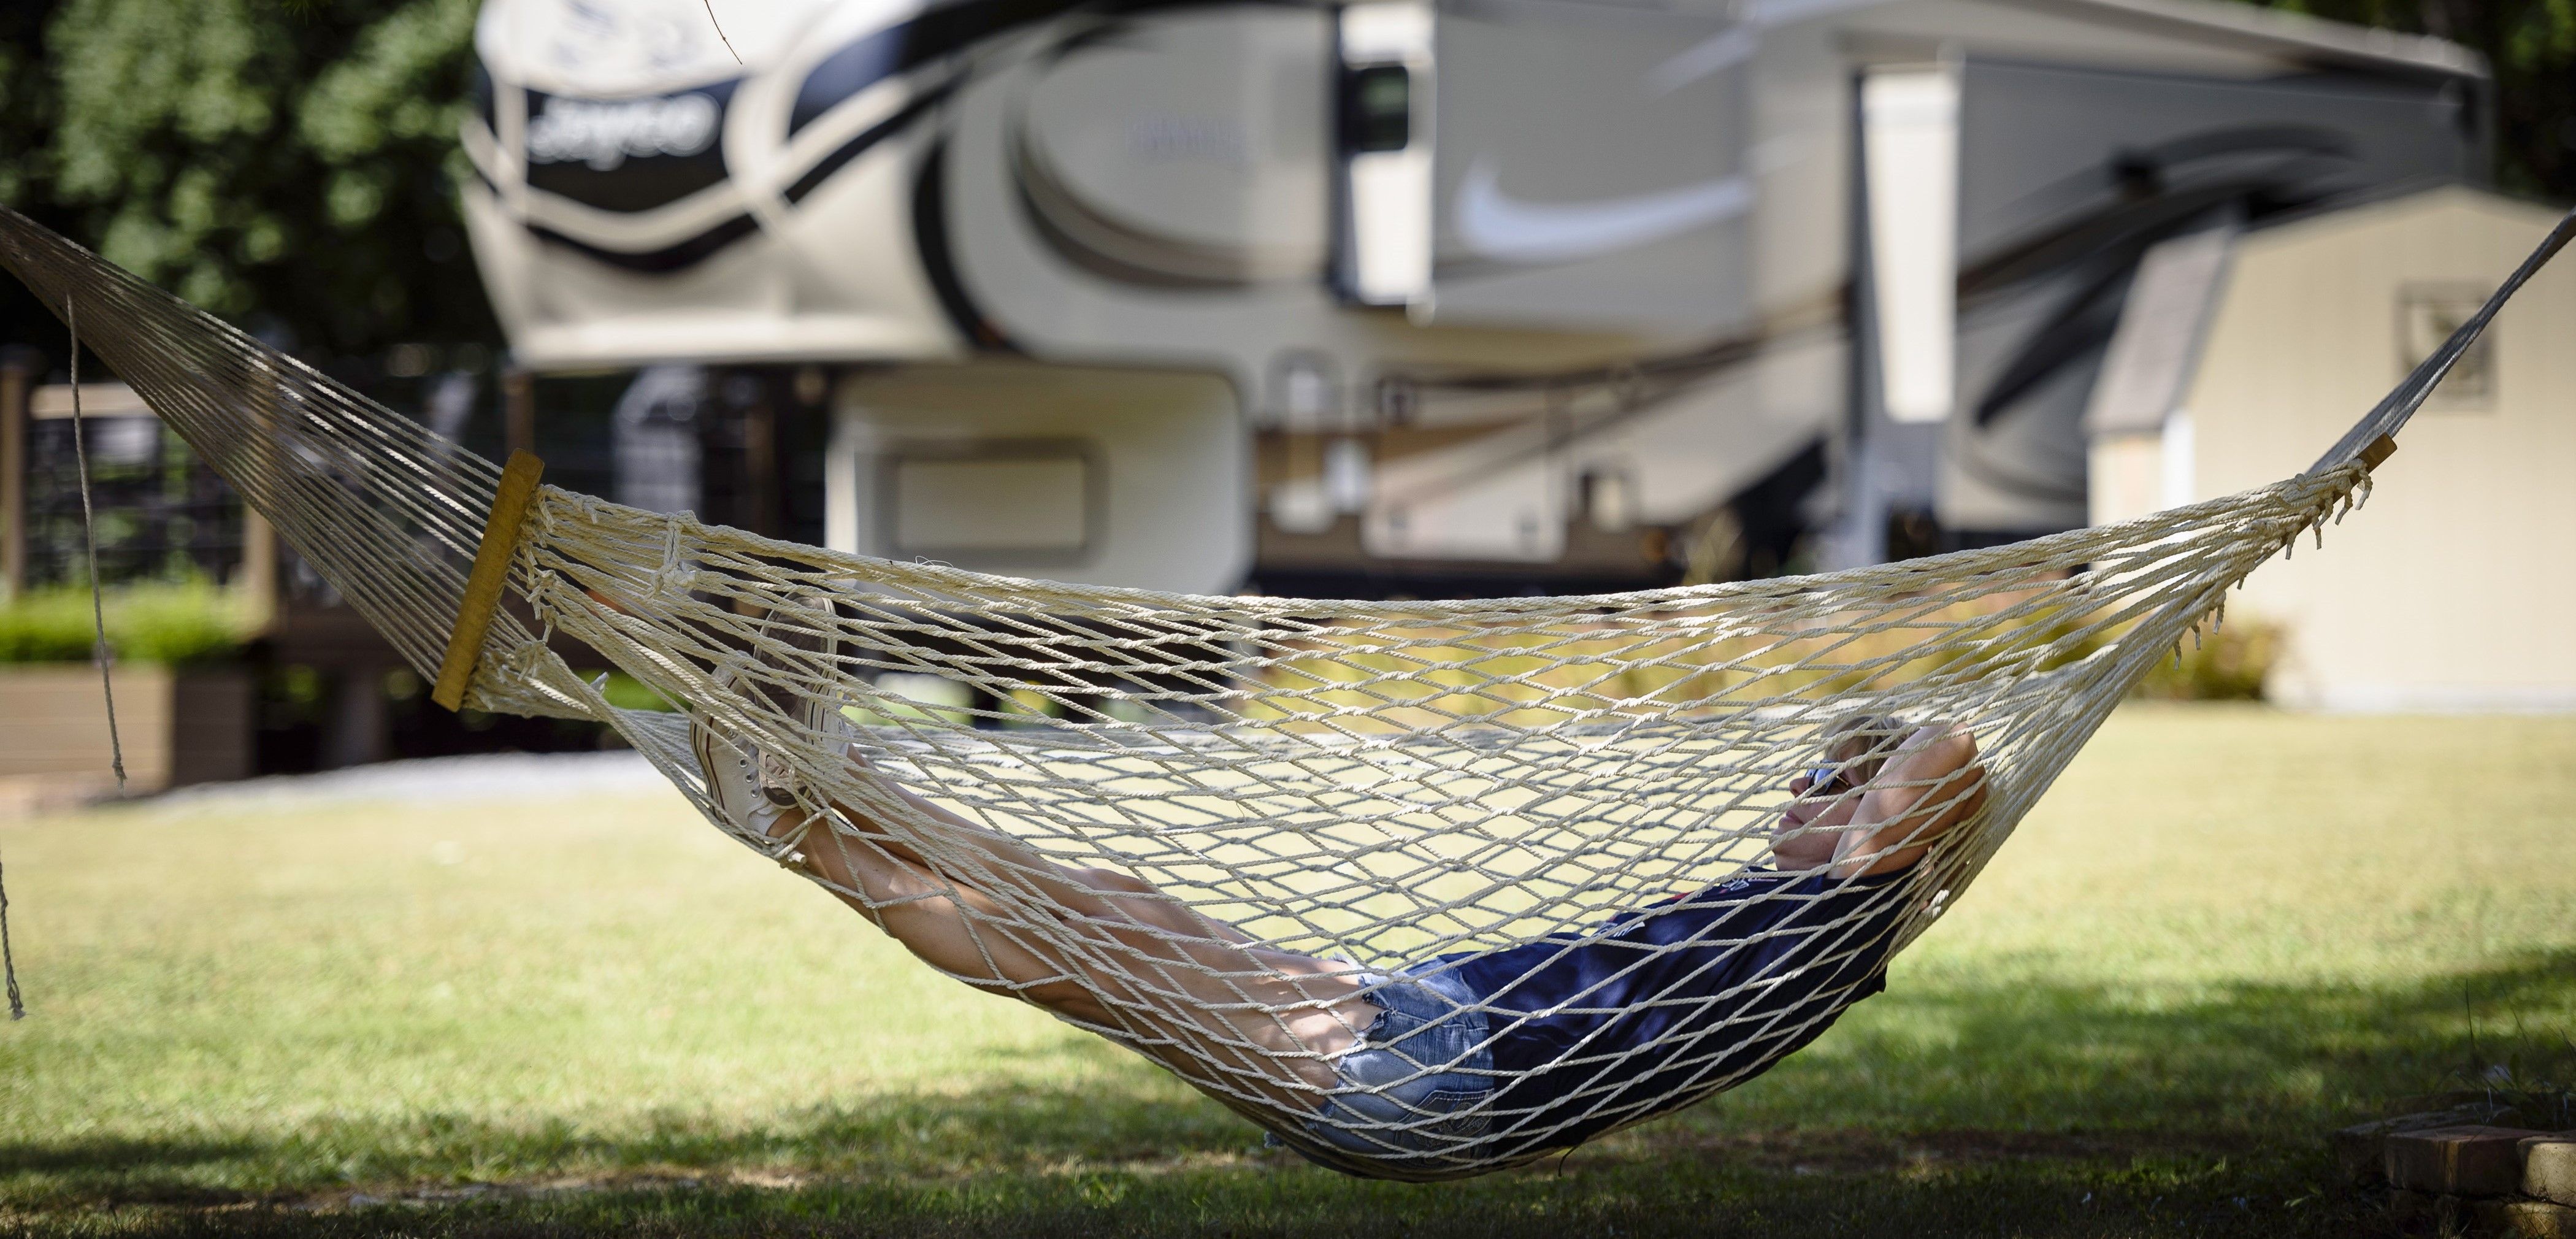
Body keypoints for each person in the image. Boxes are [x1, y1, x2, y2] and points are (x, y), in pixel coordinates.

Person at [693, 617, 1987, 1170]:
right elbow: (1895, 789)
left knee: (1084, 959)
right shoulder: (1785, 896)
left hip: (1435, 1088)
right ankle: (839, 780)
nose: (1794, 797)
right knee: (1122, 904)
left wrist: (1963, 722)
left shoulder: (1833, 916)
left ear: (1877, 823)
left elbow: (1952, 761)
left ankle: (797, 826)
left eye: (1823, 781)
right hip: (1417, 1018)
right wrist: (1851, 780)